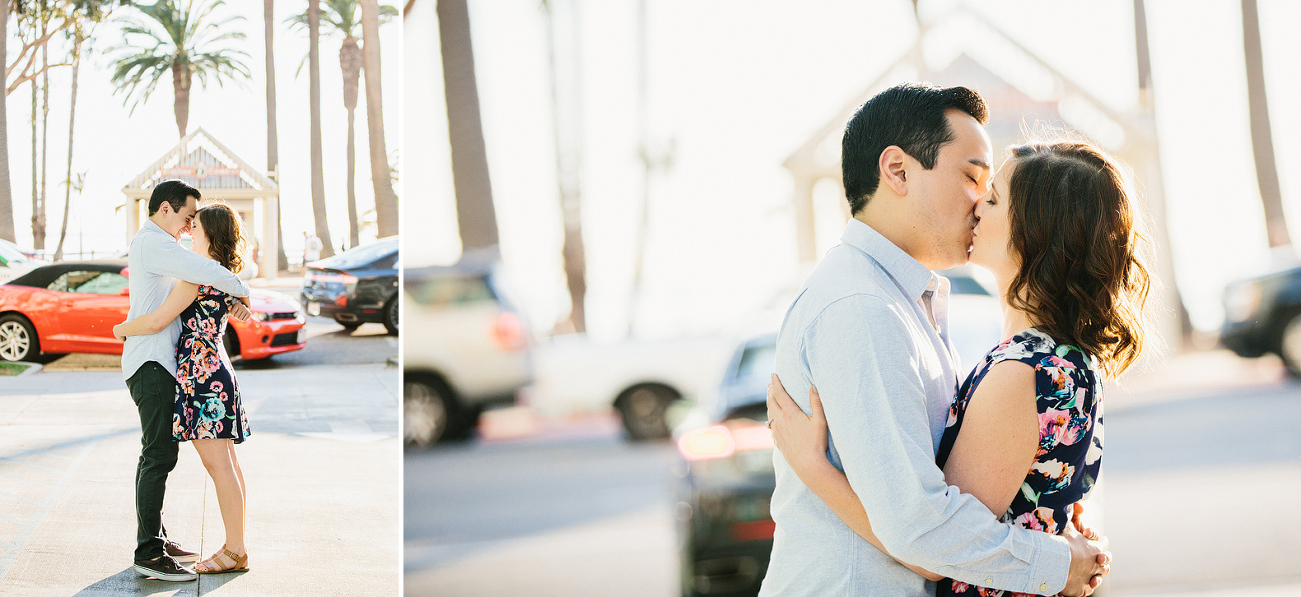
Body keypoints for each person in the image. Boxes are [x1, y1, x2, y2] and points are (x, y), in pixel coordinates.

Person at [756, 84, 1114, 597]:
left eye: (991, 192)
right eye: (972, 178)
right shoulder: (860, 308)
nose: (978, 204)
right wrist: (1058, 563)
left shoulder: (903, 301)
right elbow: (920, 527)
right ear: (897, 170)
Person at [118, 181, 252, 582]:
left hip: (201, 376)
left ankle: (232, 550)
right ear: (164, 209)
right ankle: (226, 545)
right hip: (211, 373)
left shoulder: (195, 276)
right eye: (187, 220)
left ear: (208, 235)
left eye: (196, 225)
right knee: (225, 465)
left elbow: (159, 320)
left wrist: (118, 329)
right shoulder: (210, 275)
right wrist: (241, 294)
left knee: (213, 467)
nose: (188, 229)